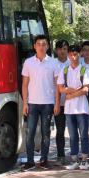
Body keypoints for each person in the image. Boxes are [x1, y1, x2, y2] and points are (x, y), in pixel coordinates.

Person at [21, 35, 59, 170]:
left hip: (48, 103)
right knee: (30, 133)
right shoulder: (28, 62)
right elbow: (25, 84)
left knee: (46, 133)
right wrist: (25, 103)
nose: (41, 47)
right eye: (38, 44)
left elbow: (57, 85)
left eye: (44, 44)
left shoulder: (53, 62)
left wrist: (57, 103)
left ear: (47, 46)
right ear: (34, 46)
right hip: (32, 103)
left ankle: (44, 160)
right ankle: (30, 161)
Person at [57, 45, 89, 170]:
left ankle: (84, 160)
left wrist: (70, 94)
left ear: (80, 54)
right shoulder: (64, 70)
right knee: (72, 135)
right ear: (68, 55)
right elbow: (60, 88)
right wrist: (70, 90)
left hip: (82, 108)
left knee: (84, 135)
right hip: (69, 109)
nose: (73, 57)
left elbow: (85, 89)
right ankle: (74, 160)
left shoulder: (84, 70)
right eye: (71, 54)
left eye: (76, 54)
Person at [52, 39, 70, 163]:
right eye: (60, 49)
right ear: (56, 50)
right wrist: (56, 103)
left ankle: (77, 154)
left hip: (72, 102)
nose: (62, 51)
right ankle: (61, 155)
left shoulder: (73, 62)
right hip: (58, 103)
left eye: (64, 49)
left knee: (75, 130)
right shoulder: (52, 64)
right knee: (60, 130)